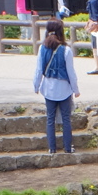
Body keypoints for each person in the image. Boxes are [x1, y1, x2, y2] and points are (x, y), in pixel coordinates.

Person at [33, 19, 80, 153]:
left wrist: (36, 86)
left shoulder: (42, 48)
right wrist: (76, 89)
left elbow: (38, 70)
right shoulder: (66, 50)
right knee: (66, 119)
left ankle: (52, 148)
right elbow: (71, 72)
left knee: (50, 118)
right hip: (64, 88)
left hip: (48, 88)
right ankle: (67, 148)